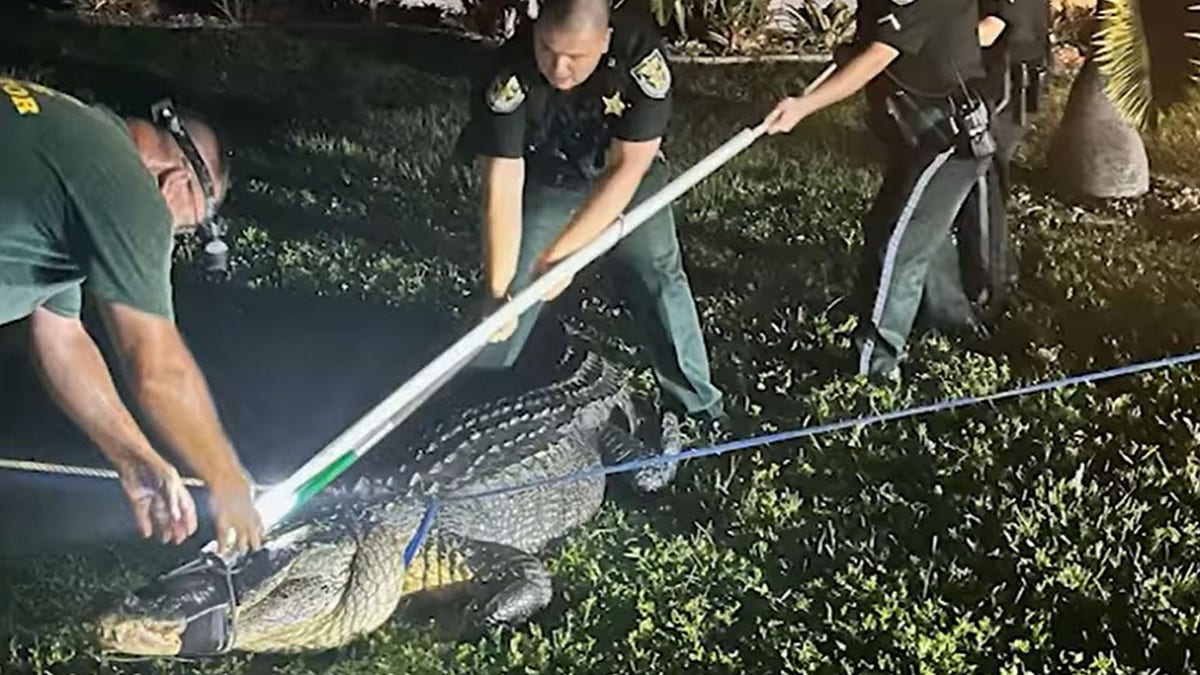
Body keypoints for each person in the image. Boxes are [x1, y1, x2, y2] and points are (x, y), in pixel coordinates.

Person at [0, 77, 262, 555]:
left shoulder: (73, 136)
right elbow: (156, 367)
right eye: (186, 227)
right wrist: (227, 479)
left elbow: (61, 337)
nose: (170, 237)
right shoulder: (127, 191)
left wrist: (135, 456)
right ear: (179, 181)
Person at [454, 0, 726, 436]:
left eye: (575, 58)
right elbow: (501, 182)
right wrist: (497, 290)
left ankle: (697, 406)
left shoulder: (639, 56)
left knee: (658, 271)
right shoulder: (508, 73)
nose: (559, 68)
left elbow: (629, 166)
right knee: (515, 285)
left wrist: (567, 256)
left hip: (626, 174)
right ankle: (475, 400)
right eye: (547, 49)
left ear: (604, 41)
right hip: (554, 171)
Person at [763, 0, 996, 383]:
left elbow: (876, 57)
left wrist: (803, 107)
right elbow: (876, 44)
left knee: (898, 248)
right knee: (915, 236)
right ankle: (953, 324)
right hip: (924, 135)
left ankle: (874, 370)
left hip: (948, 139)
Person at [948, 0, 1050, 322]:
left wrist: (925, 45)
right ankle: (989, 275)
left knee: (983, 186)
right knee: (982, 188)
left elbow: (992, 29)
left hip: (1003, 88)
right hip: (997, 82)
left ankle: (988, 291)